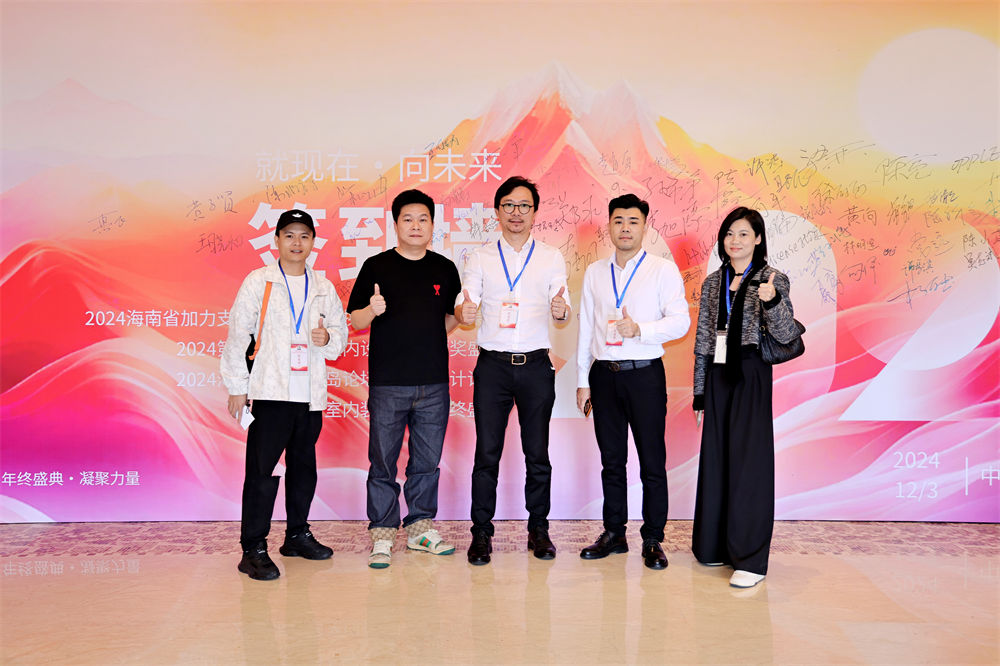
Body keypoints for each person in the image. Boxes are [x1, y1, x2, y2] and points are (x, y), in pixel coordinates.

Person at [221, 209, 349, 581]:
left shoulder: (322, 286)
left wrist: (328, 338)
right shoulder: (259, 281)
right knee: (261, 472)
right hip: (270, 391)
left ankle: (297, 535)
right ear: (276, 240)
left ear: (313, 243)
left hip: (309, 395)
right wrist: (237, 387)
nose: (297, 243)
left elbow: (339, 338)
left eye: (304, 236)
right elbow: (238, 335)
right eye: (289, 235)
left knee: (303, 469)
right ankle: (253, 548)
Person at [456, 176, 570, 565]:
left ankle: (539, 529)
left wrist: (561, 311)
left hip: (536, 366)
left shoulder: (551, 257)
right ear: (497, 211)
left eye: (524, 205)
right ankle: (481, 532)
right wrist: (464, 310)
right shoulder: (481, 257)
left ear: (534, 212)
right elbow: (466, 300)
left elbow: (562, 305)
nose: (516, 212)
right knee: (486, 452)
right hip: (493, 368)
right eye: (509, 205)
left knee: (537, 453)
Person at [347, 189, 462, 569]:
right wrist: (372, 309)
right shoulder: (376, 266)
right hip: (388, 383)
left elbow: (450, 318)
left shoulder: (445, 269)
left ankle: (420, 529)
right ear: (395, 224)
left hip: (433, 383)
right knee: (382, 461)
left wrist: (434, 332)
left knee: (426, 462)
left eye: (423, 219)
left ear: (432, 225)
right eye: (408, 219)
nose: (416, 226)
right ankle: (382, 533)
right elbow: (355, 320)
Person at [575, 193, 690, 570]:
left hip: (644, 375)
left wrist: (640, 329)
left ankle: (653, 538)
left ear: (645, 227)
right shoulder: (595, 272)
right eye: (618, 221)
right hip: (603, 376)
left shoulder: (662, 270)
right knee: (612, 461)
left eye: (633, 221)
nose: (625, 228)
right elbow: (586, 328)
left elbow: (681, 322)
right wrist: (582, 380)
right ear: (609, 226)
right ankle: (614, 533)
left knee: (652, 460)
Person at [691, 206, 798, 588]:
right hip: (718, 375)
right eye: (728, 234)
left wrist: (772, 301)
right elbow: (704, 340)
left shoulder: (772, 278)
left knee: (749, 463)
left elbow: (786, 334)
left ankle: (750, 560)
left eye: (743, 234)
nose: (734, 241)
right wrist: (700, 392)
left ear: (758, 239)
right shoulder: (713, 282)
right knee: (717, 459)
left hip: (751, 373)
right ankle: (714, 546)